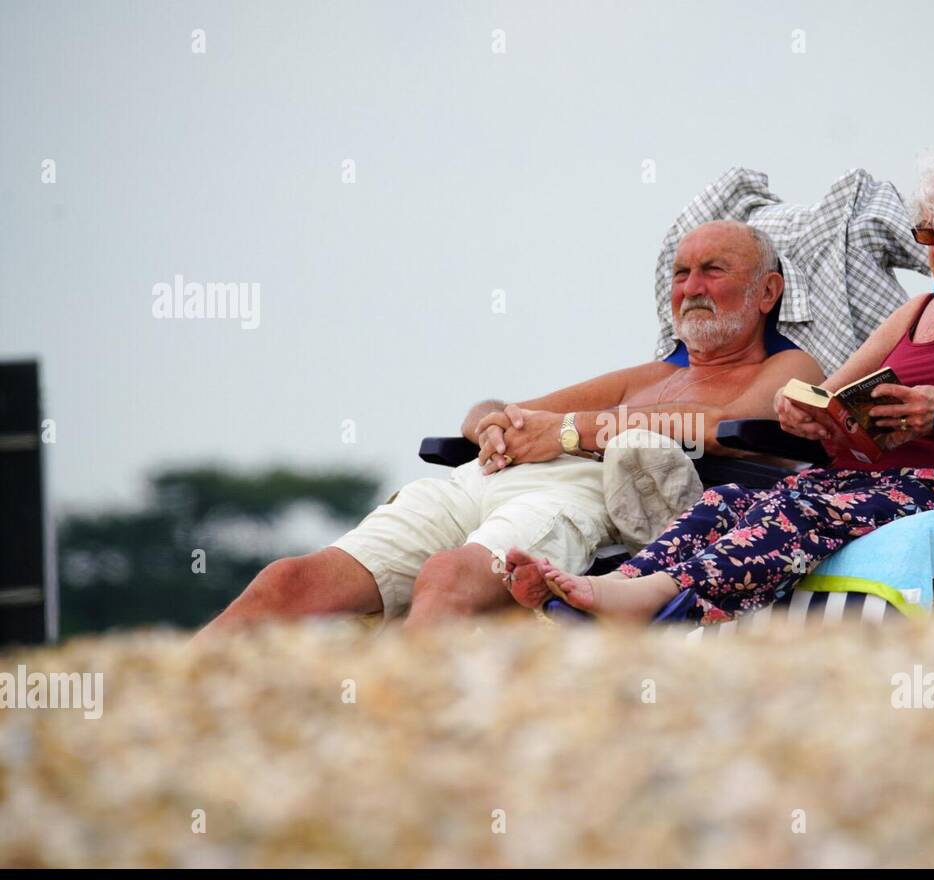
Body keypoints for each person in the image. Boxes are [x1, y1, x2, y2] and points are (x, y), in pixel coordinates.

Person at [505, 134, 934, 624]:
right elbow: (826, 392)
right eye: (926, 234)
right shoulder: (915, 311)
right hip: (864, 480)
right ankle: (617, 588)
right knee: (730, 499)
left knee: (805, 513)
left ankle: (652, 599)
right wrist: (802, 409)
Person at [195, 221, 823, 636]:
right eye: (681, 275)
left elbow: (725, 428)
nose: (691, 288)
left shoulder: (789, 365)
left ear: (768, 291)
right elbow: (508, 409)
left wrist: (572, 433)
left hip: (579, 495)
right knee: (287, 581)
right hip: (483, 478)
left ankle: (407, 743)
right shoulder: (647, 374)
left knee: (446, 577)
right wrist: (489, 422)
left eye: (713, 271)